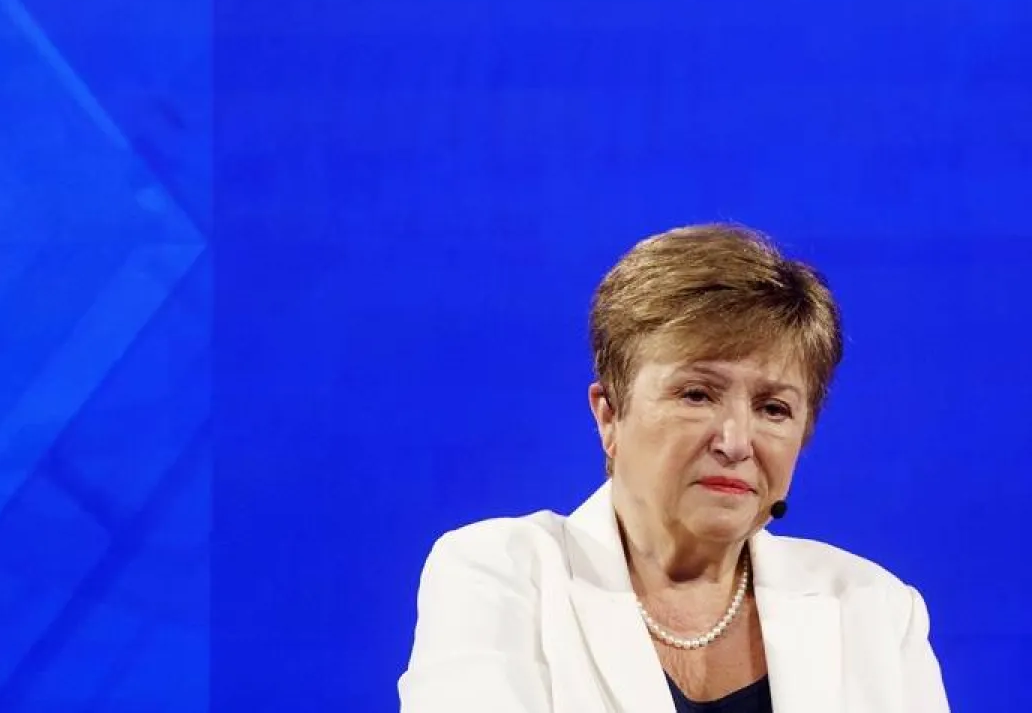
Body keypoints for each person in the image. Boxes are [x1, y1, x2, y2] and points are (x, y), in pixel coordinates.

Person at [397, 224, 951, 712]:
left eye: (773, 409)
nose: (736, 442)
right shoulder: (501, 575)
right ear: (609, 415)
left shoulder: (874, 610)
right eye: (697, 394)